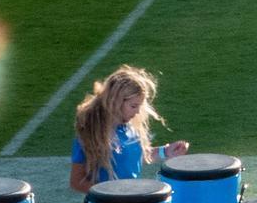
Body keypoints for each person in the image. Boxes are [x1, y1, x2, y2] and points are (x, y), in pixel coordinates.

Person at [69, 65, 188, 194]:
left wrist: (165, 151)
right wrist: (108, 194)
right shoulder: (91, 133)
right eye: (133, 106)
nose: (137, 111)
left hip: (130, 200)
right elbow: (76, 181)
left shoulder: (130, 127)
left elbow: (133, 155)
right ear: (116, 102)